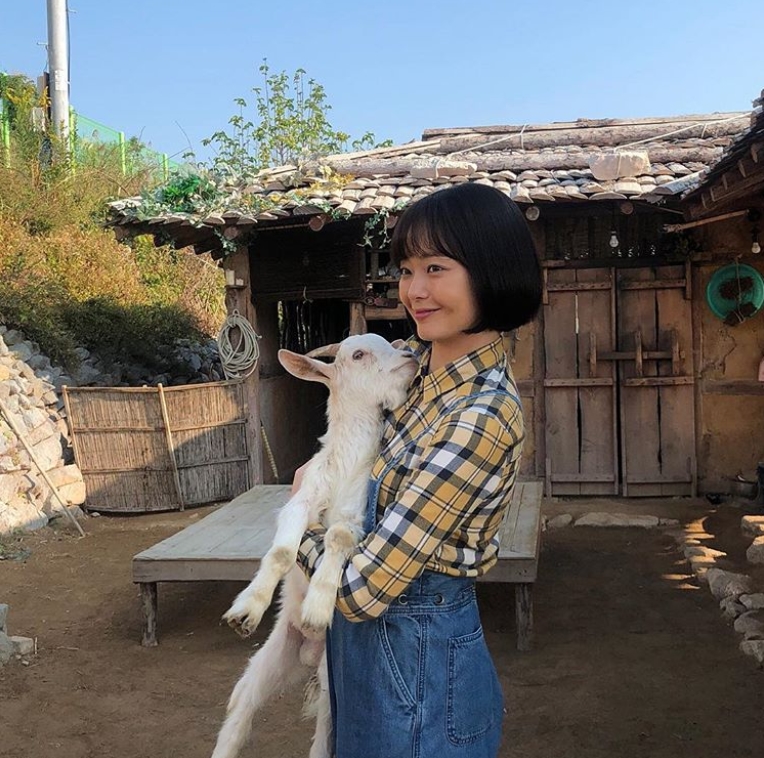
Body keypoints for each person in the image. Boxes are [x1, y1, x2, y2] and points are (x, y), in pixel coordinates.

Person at [295, 181, 543, 758]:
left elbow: (358, 589)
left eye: (436, 268)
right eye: (406, 270)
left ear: (490, 272)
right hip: (363, 656)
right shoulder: (413, 364)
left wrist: (297, 526)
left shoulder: (481, 413)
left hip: (421, 671)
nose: (414, 290)